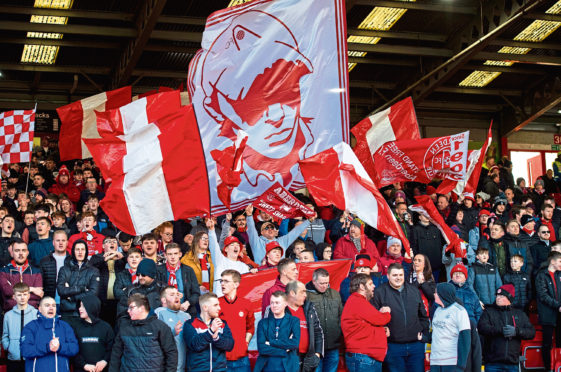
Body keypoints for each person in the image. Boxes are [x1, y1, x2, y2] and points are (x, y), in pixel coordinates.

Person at [372, 263, 429, 372]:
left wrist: (423, 335)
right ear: (388, 276)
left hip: (415, 346)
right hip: (393, 346)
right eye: (394, 275)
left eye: (400, 275)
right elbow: (373, 318)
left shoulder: (414, 291)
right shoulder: (379, 292)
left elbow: (423, 316)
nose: (398, 278)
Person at [109, 293, 178, 372]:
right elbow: (116, 355)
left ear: (141, 308)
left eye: (131, 308)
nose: (128, 311)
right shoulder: (124, 327)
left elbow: (171, 353)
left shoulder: (160, 327)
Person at [478, 284, 536, 372]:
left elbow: (531, 332)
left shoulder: (519, 314)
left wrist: (517, 331)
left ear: (509, 298)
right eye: (497, 295)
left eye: (501, 296)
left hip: (512, 364)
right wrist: (500, 330)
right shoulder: (489, 311)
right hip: (492, 363)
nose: (498, 298)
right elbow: (482, 327)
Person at [341, 273, 391, 372]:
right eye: (370, 284)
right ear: (362, 287)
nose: (374, 286)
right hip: (363, 358)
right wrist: (386, 313)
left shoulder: (357, 301)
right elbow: (380, 319)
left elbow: (365, 324)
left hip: (363, 357)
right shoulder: (358, 301)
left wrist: (382, 329)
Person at [21, 296, 79, 372]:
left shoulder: (65, 326)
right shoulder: (30, 327)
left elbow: (74, 348)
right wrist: (48, 347)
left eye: (54, 305)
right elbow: (25, 350)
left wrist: (60, 347)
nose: (51, 308)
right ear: (40, 309)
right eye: (47, 305)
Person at [245, 204, 312, 266]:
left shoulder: (282, 241)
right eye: (266, 228)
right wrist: (249, 215)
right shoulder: (257, 242)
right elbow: (251, 230)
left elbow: (296, 231)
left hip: (280, 273)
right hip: (263, 273)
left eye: (272, 227)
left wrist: (309, 221)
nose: (270, 229)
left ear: (275, 231)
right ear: (261, 232)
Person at [183, 293, 235, 372]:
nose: (219, 308)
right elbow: (195, 345)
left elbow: (230, 345)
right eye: (215, 305)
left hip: (220, 370)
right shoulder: (190, 324)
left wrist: (217, 338)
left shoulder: (222, 323)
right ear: (205, 307)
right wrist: (210, 331)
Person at [305, 268, 342, 372]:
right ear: (313, 281)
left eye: (327, 283)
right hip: (315, 347)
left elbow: (341, 316)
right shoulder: (305, 295)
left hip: (333, 344)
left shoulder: (335, 294)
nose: (325, 286)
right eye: (321, 283)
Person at [254, 291, 300, 372]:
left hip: (288, 367)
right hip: (267, 367)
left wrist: (271, 343)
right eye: (272, 303)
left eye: (277, 302)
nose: (274, 305)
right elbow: (262, 348)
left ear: (285, 303)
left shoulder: (294, 321)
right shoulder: (263, 323)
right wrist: (283, 350)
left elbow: (294, 343)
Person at [218, 269, 254, 372]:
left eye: (226, 281)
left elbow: (250, 327)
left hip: (242, 359)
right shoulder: (216, 303)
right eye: (221, 281)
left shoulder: (246, 304)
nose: (222, 284)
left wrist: (245, 342)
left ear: (236, 284)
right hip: (222, 359)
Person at [429, 283, 471, 372]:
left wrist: (461, 365)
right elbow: (437, 333)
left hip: (451, 362)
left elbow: (465, 339)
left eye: (436, 292)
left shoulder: (459, 311)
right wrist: (424, 337)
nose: (434, 294)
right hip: (435, 361)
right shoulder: (438, 310)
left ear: (443, 294)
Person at [449, 263, 482, 372]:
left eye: (461, 273)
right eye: (455, 273)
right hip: (452, 332)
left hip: (470, 331)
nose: (458, 275)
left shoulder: (472, 293)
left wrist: (475, 327)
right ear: (451, 276)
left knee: (470, 360)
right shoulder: (446, 291)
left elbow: (478, 313)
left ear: (465, 276)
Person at [207, 219, 253, 296]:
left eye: (238, 245)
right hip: (221, 301)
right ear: (226, 249)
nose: (236, 247)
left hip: (237, 302)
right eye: (232, 245)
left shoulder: (243, 266)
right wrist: (211, 230)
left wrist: (254, 273)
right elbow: (213, 246)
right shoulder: (220, 260)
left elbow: (247, 285)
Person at [285, 281, 324, 371]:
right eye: (302, 292)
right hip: (288, 360)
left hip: (308, 360)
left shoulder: (309, 307)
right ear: (292, 293)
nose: (305, 295)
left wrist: (317, 354)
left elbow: (318, 331)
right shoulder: (279, 308)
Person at [57, 239, 100, 319]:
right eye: (77, 249)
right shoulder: (64, 269)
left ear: (86, 252)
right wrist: (82, 288)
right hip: (67, 311)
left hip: (85, 312)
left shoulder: (94, 271)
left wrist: (73, 297)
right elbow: (61, 290)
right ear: (73, 251)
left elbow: (93, 292)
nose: (80, 252)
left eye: (83, 249)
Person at [70, 295, 114, 372]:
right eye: (80, 306)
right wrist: (84, 365)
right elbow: (73, 350)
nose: (80, 309)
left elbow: (112, 348)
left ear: (91, 307)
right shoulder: (75, 327)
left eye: (83, 306)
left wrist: (105, 361)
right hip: (81, 369)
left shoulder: (106, 327)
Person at [89, 235, 126, 326]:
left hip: (118, 300)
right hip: (102, 300)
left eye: (114, 241)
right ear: (102, 246)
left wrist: (122, 257)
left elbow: (132, 262)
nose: (112, 243)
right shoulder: (97, 257)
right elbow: (91, 267)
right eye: (108, 241)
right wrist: (106, 258)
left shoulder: (121, 258)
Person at [156, 243, 200, 318]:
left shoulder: (188, 270)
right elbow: (156, 293)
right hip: (165, 311)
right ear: (165, 255)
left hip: (186, 311)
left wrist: (188, 303)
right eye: (170, 254)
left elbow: (196, 293)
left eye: (175, 253)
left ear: (180, 254)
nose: (173, 257)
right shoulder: (158, 270)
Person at [2, 283, 38, 372]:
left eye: (25, 294)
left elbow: (39, 335)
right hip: (13, 359)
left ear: (29, 296)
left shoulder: (35, 314)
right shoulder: (8, 315)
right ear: (14, 297)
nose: (22, 297)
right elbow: (5, 335)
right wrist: (9, 347)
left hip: (31, 359)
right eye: (19, 295)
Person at [0, 238, 43, 311]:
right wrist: (32, 289)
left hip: (31, 314)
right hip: (11, 312)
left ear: (27, 253)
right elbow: (7, 292)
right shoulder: (3, 271)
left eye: (23, 250)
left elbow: (37, 296)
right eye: (17, 250)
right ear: (12, 253)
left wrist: (15, 296)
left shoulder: (36, 271)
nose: (20, 253)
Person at [535, 250, 561, 369]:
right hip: (547, 314)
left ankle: (558, 366)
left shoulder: (559, 275)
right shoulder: (541, 275)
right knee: (547, 343)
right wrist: (558, 306)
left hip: (559, 314)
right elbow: (543, 296)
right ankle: (548, 367)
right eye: (560, 261)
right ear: (552, 261)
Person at [155, 286, 191, 372]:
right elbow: (155, 337)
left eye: (177, 294)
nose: (176, 297)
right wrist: (172, 332)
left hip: (184, 367)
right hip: (165, 367)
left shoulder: (187, 316)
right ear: (163, 300)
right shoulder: (159, 312)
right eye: (172, 294)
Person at [411, 213, 444, 280]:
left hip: (435, 264)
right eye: (424, 215)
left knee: (434, 285)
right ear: (419, 217)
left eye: (427, 214)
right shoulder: (415, 230)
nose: (426, 216)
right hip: (422, 265)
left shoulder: (436, 229)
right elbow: (414, 246)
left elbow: (440, 245)